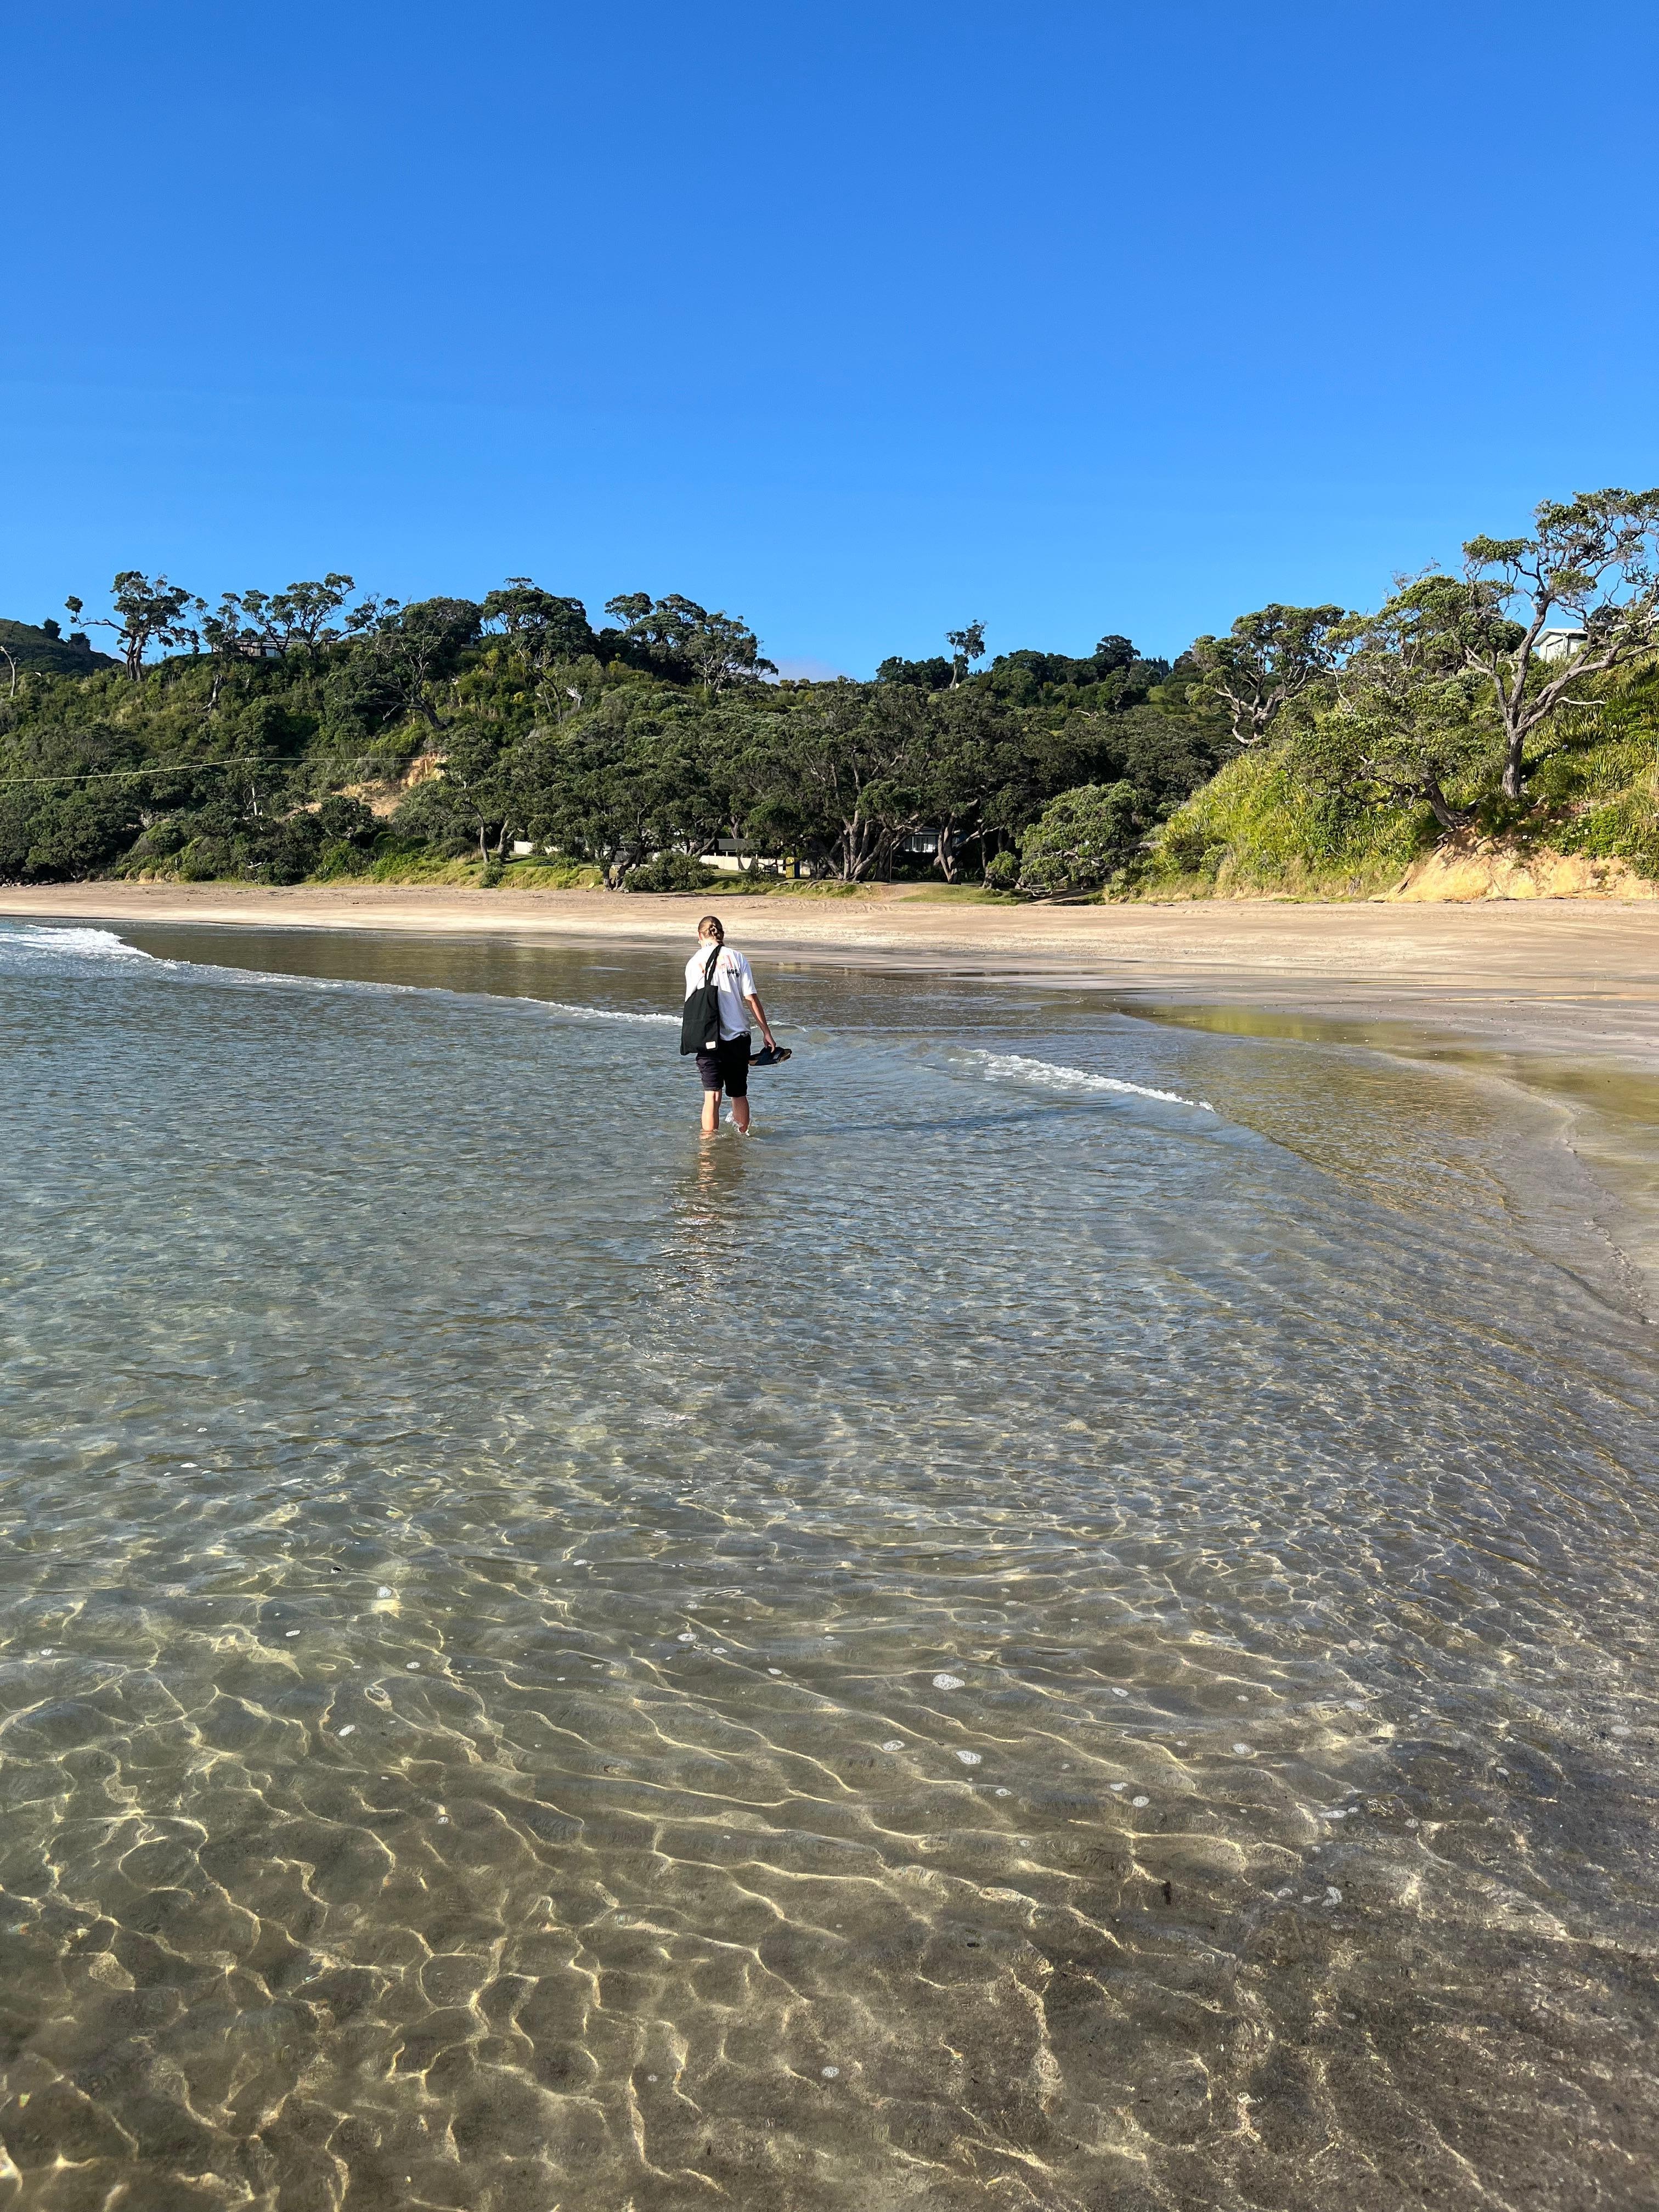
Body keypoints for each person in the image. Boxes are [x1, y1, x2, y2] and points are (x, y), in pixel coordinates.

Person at [685, 915, 778, 1135]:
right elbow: (751, 998)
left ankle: (708, 1148)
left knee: (712, 1095)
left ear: (699, 936)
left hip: (707, 1038)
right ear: (721, 934)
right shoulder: (737, 957)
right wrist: (766, 1032)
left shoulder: (694, 963)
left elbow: (691, 1004)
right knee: (738, 1093)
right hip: (738, 1037)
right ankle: (742, 1141)